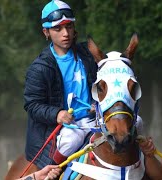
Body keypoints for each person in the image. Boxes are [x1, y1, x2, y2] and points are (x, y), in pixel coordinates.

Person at [23, 0, 98, 170]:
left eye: (69, 27)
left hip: (95, 120)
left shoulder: (89, 53)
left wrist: (100, 102)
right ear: (46, 32)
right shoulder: (39, 68)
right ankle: (53, 172)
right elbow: (32, 105)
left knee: (135, 122)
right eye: (58, 29)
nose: (66, 33)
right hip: (65, 128)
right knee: (72, 139)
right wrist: (57, 114)